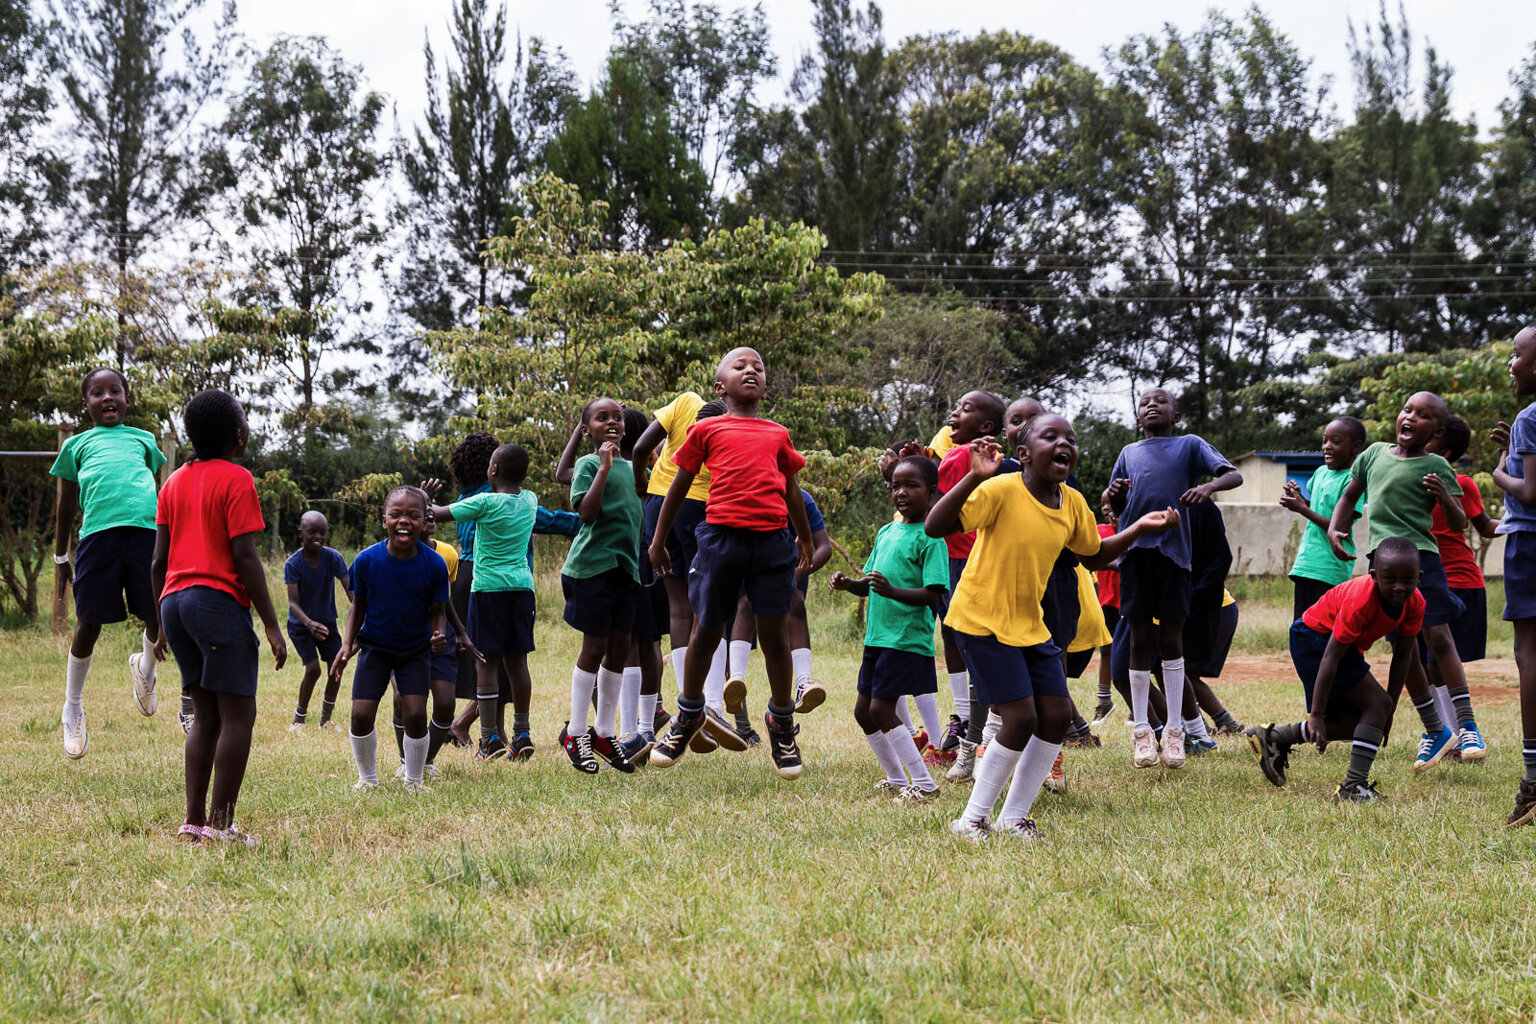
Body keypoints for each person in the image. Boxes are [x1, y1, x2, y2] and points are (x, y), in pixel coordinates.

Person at [929, 417, 1178, 841]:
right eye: (1051, 437)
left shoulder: (1073, 503)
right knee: (1021, 716)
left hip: (1029, 623)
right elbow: (936, 526)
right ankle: (971, 820)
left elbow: (1094, 556)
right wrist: (973, 476)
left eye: (1070, 439)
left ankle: (1013, 818)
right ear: (1023, 454)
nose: (1064, 443)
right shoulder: (1000, 489)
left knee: (1057, 715)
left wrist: (1137, 529)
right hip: (980, 619)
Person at [647, 347, 817, 779]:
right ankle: (689, 714)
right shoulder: (707, 430)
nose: (751, 370)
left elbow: (792, 489)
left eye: (758, 366)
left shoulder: (778, 433)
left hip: (772, 543)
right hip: (720, 539)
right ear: (719, 386)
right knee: (707, 628)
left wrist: (803, 536)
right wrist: (658, 539)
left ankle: (781, 723)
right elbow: (678, 486)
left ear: (764, 385)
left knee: (774, 636)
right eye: (740, 365)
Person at [151, 389, 285, 844]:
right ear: (237, 434)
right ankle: (222, 826)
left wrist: (159, 624)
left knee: (204, 716)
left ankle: (193, 822)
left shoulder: (173, 482)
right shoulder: (238, 479)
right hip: (215, 603)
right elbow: (245, 558)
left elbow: (157, 561)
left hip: (174, 603)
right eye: (244, 420)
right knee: (237, 716)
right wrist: (270, 623)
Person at [1103, 387, 1242, 769]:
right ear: (1137, 416)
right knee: (1139, 642)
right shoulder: (1128, 453)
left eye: (1161, 401)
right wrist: (1114, 496)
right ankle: (1143, 732)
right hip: (1135, 556)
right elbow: (1115, 504)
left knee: (1171, 642)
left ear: (1174, 414)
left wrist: (1208, 487)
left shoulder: (1190, 444)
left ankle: (1177, 732)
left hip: (1175, 557)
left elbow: (1234, 474)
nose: (1151, 405)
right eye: (1145, 402)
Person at [1326, 391, 1464, 771]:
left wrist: (1445, 498)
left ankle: (1467, 725)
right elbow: (1350, 495)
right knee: (1405, 648)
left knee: (1437, 637)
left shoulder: (1435, 465)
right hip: (1381, 565)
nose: (1411, 418)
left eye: (1423, 416)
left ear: (1436, 430)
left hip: (1422, 560)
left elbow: (1459, 524)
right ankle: (1435, 730)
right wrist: (1337, 529)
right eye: (1407, 410)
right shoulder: (1372, 455)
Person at [1247, 537, 1427, 802]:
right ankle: (1353, 788)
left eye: (1407, 579)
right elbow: (1330, 658)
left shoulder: (1415, 604)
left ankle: (1274, 737)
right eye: (1390, 579)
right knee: (1376, 705)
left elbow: (1403, 656)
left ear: (1419, 577)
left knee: (1366, 721)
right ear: (1374, 576)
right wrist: (1316, 714)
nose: (1399, 587)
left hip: (1335, 646)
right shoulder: (1361, 600)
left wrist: (1391, 709)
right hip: (1313, 638)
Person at [424, 444, 574, 761]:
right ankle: (522, 734)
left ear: (492, 471)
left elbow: (435, 514)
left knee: (486, 662)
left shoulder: (483, 502)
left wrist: (426, 499)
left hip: (488, 590)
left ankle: (489, 739)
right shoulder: (530, 500)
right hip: (522, 589)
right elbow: (557, 521)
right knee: (517, 663)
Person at [51, 367, 168, 758]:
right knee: (89, 624)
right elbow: (67, 503)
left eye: (115, 391)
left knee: (157, 617)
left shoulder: (144, 440)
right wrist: (61, 553)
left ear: (127, 399)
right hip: (97, 540)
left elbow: (153, 490)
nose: (107, 398)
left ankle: (145, 671)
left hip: (144, 538)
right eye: (97, 393)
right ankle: (72, 708)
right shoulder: (77, 446)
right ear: (85, 404)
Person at [830, 455, 948, 802]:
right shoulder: (887, 531)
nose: (901, 492)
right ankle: (897, 779)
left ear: (931, 494)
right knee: (862, 712)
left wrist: (892, 592)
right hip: (878, 637)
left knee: (882, 709)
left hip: (905, 639)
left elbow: (933, 594)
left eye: (912, 486)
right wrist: (849, 584)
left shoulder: (931, 538)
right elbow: (871, 582)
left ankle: (925, 784)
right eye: (896, 485)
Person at [332, 486, 449, 793]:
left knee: (414, 713)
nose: (404, 521)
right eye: (396, 514)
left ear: (424, 522)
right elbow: (358, 607)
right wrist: (347, 645)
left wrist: (439, 634)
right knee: (360, 715)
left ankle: (414, 781)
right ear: (384, 520)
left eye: (413, 515)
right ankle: (367, 779)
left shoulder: (434, 564)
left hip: (415, 650)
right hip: (375, 648)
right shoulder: (366, 561)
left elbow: (438, 611)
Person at [557, 398, 644, 773]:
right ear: (586, 429)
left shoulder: (633, 466)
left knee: (620, 648)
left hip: (625, 570)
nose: (612, 422)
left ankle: (605, 734)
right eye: (601, 417)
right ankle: (576, 733)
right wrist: (603, 468)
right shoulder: (590, 465)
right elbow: (586, 513)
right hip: (591, 568)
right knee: (594, 646)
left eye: (617, 417)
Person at [933, 391, 1007, 773]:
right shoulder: (958, 453)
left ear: (986, 427)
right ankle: (973, 734)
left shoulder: (964, 455)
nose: (953, 412)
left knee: (970, 644)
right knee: (964, 643)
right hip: (959, 557)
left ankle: (974, 739)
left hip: (962, 560)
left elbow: (937, 505)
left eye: (964, 409)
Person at [725, 488, 833, 741]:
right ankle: (736, 682)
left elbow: (824, 547)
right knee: (746, 605)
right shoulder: (745, 492)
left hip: (790, 569)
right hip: (748, 564)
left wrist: (799, 572)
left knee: (794, 605)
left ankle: (803, 683)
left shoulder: (801, 499)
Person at [1423, 413, 1495, 760]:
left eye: (1432, 437)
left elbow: (1486, 527)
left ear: (1445, 449)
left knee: (1439, 658)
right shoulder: (1405, 476)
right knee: (1425, 665)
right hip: (1420, 581)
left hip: (1458, 581)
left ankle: (1464, 732)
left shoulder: (1461, 483)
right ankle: (1447, 734)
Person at [391, 502, 479, 776]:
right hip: (404, 632)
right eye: (422, 517)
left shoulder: (448, 554)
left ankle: (425, 760)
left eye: (432, 517)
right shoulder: (394, 552)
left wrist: (461, 632)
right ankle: (406, 761)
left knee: (444, 703)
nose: (429, 522)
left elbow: (445, 600)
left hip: (440, 633)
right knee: (400, 698)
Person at [1490, 323, 1536, 826]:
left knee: (1529, 655)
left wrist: (1501, 469)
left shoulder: (1530, 417)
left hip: (1530, 542)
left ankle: (1533, 781)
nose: (1511, 363)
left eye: (1517, 354)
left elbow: (1529, 493)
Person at [1282, 418, 1368, 621]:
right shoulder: (1321, 473)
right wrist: (1299, 498)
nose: (1327, 447)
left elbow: (1340, 526)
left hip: (1330, 566)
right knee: (1301, 625)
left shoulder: (1352, 481)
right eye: (1324, 441)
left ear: (1356, 447)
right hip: (1306, 563)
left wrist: (1302, 509)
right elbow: (1318, 506)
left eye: (1335, 441)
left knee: (1323, 626)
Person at [443, 432, 499, 745]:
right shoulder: (491, 495)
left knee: (486, 656)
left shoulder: (464, 495)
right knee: (494, 657)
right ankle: (462, 724)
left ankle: (493, 731)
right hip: (486, 574)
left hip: (464, 575)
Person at [284, 511, 351, 733]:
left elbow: (351, 591)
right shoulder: (293, 563)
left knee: (336, 667)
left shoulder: (333, 558)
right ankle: (298, 720)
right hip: (300, 626)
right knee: (313, 669)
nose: (318, 537)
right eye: (312, 532)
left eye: (323, 532)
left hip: (327, 625)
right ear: (300, 533)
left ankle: (325, 720)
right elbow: (293, 603)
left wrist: (362, 608)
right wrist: (309, 624)